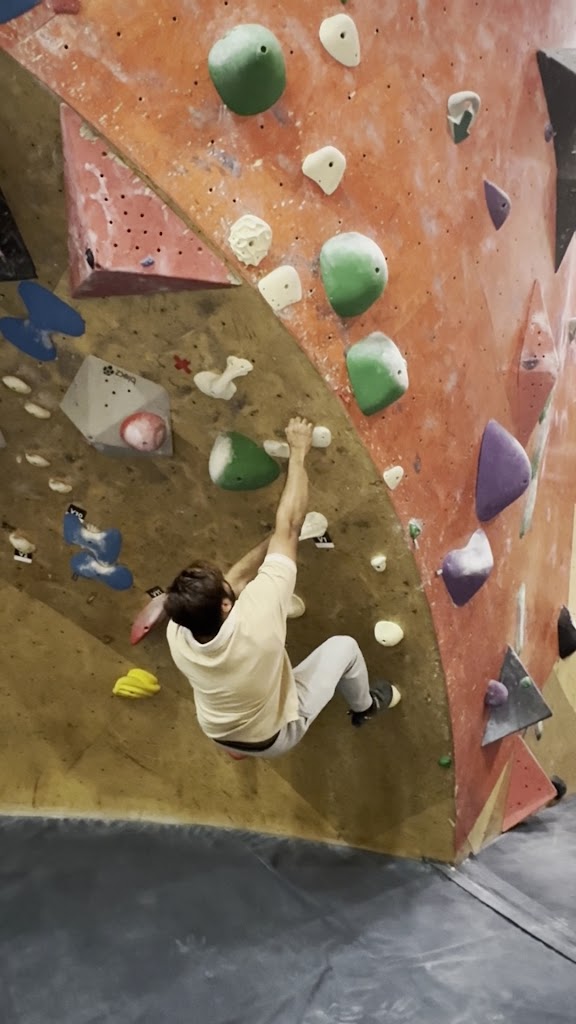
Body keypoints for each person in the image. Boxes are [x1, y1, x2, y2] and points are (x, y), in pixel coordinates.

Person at [165, 416, 401, 760]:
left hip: (220, 732)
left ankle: (238, 743)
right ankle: (365, 706)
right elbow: (290, 525)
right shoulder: (257, 618)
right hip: (275, 736)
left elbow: (240, 578)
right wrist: (299, 451)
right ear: (226, 607)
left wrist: (273, 542)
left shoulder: (179, 630)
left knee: (245, 702)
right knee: (345, 648)